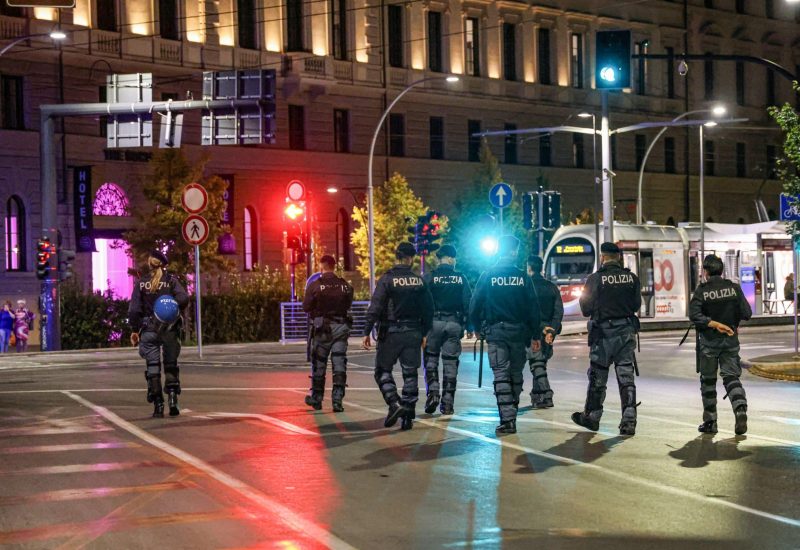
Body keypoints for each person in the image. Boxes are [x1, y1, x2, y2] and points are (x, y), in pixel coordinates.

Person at [469, 235, 540, 435]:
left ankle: (508, 419)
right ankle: (512, 410)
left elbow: (475, 304)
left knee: (501, 374)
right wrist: (535, 335)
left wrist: (476, 327)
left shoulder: (488, 275)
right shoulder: (523, 278)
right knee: (516, 374)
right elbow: (533, 308)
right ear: (515, 252)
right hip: (518, 333)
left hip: (496, 332)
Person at [363, 242, 434, 431]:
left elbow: (376, 306)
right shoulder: (419, 281)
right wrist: (425, 332)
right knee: (410, 374)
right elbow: (429, 309)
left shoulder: (387, 279)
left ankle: (394, 403)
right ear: (411, 259)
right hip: (413, 332)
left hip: (391, 332)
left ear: (397, 256)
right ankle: (408, 416)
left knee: (382, 371)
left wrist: (367, 331)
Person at [572, 242, 642, 436]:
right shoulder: (631, 278)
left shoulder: (595, 279)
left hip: (603, 335)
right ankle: (629, 421)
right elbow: (636, 304)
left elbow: (585, 308)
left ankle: (592, 417)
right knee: (626, 377)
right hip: (626, 333)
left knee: (598, 377)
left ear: (602, 257)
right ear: (618, 257)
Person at [689, 254, 752, 435]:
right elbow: (747, 313)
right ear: (722, 270)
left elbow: (694, 315)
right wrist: (731, 320)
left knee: (708, 381)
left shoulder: (702, 291)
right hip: (730, 340)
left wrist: (714, 323)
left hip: (709, 342)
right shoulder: (734, 288)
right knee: (731, 377)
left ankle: (710, 422)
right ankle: (740, 409)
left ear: (706, 271)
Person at [128, 250, 189, 418]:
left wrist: (134, 330)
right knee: (170, 364)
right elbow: (184, 298)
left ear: (149, 264)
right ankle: (172, 399)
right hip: (169, 328)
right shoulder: (171, 281)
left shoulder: (141, 283)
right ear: (163, 265)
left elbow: (134, 310)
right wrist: (171, 306)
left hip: (149, 329)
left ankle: (158, 405)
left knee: (153, 366)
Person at [422, 244, 472, 415]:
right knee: (451, 364)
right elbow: (468, 303)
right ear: (450, 258)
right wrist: (469, 326)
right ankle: (448, 404)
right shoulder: (460, 278)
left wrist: (422, 328)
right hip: (454, 323)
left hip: (434, 324)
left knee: (431, 360)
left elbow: (421, 303)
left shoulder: (429, 277)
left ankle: (433, 393)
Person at [302, 255, 354, 412]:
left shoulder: (315, 285)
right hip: (340, 327)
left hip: (323, 329)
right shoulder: (344, 285)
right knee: (339, 363)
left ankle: (317, 399)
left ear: (321, 266)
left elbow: (306, 307)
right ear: (334, 266)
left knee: (319, 363)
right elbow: (348, 303)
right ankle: (337, 401)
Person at [526, 255, 564, 409]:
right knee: (540, 363)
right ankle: (537, 396)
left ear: (529, 267)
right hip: (549, 331)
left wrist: (541, 328)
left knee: (537, 364)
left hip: (533, 330)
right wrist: (551, 330)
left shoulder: (527, 286)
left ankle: (546, 395)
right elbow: (558, 312)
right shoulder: (551, 287)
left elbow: (528, 311)